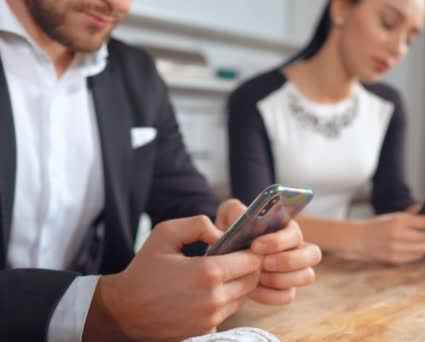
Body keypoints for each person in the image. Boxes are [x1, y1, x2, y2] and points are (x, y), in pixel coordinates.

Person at [0, 0, 321, 340]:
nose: (121, 5)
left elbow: (181, 193)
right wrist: (101, 305)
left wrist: (230, 239)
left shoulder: (136, 72)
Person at [228, 0, 425, 265]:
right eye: (388, 23)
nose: (399, 49)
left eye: (410, 39)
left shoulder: (387, 105)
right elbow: (254, 222)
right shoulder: (255, 99)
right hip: (275, 272)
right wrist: (361, 237)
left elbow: (392, 200)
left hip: (347, 274)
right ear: (341, 8)